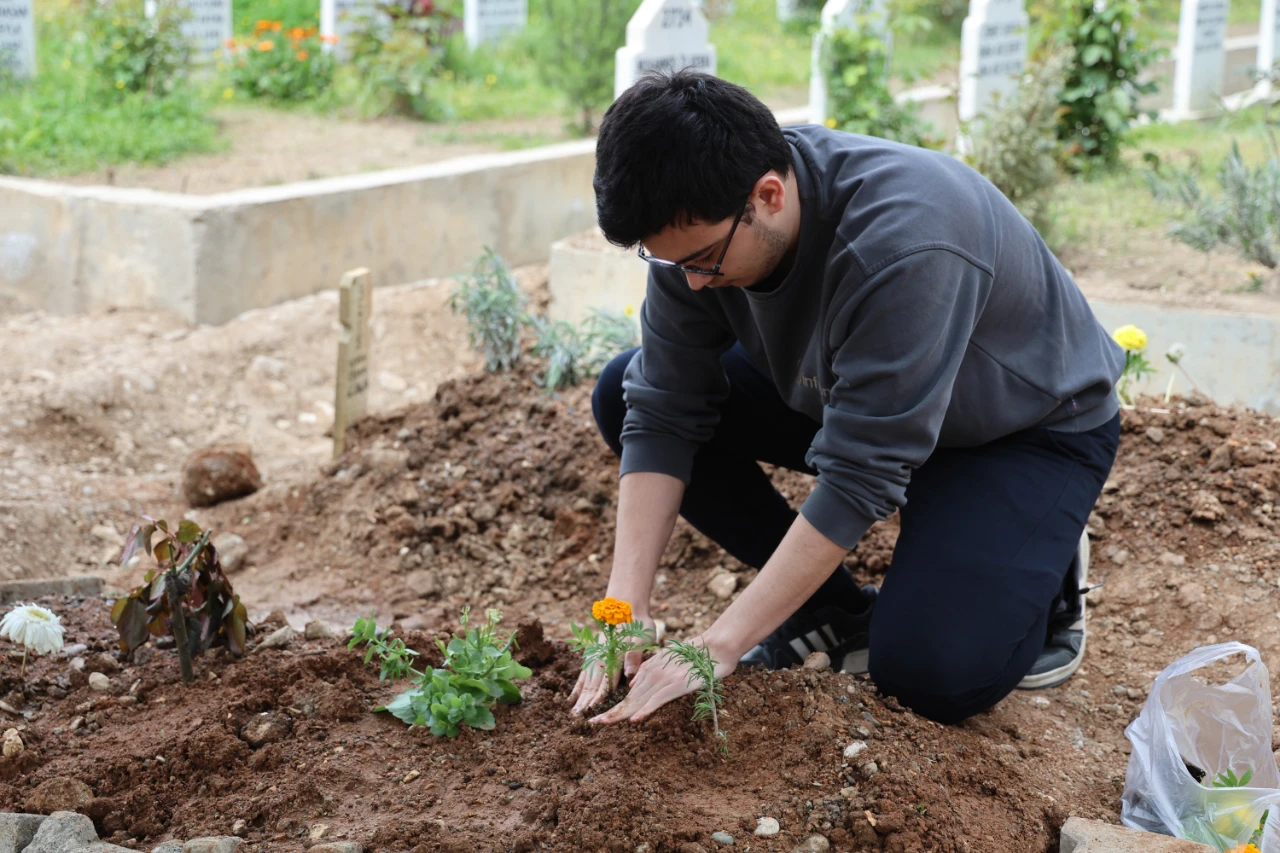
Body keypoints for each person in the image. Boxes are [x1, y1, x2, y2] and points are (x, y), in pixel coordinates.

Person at [567, 70, 1123, 727]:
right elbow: (663, 406)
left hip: (1017, 429)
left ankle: (1041, 563)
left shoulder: (905, 242)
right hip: (859, 394)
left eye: (703, 261)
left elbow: (860, 475)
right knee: (621, 393)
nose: (689, 283)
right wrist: (621, 610)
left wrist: (717, 645)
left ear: (768, 195)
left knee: (929, 674)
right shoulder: (696, 226)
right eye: (668, 263)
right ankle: (834, 612)